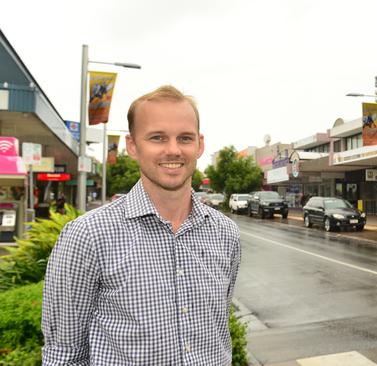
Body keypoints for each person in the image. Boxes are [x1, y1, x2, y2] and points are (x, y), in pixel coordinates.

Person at [42, 86, 241, 365]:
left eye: (185, 138)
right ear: (133, 146)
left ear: (200, 144)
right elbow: (64, 355)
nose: (173, 150)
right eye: (157, 138)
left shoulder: (226, 233)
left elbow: (218, 332)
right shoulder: (87, 236)